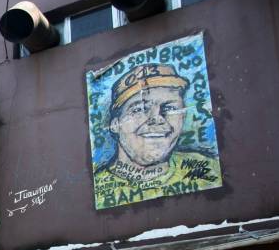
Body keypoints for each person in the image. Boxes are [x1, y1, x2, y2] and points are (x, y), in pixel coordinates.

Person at [92, 63, 220, 209]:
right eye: (140, 109)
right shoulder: (98, 192)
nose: (157, 118)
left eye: (170, 108)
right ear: (115, 125)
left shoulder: (208, 168)